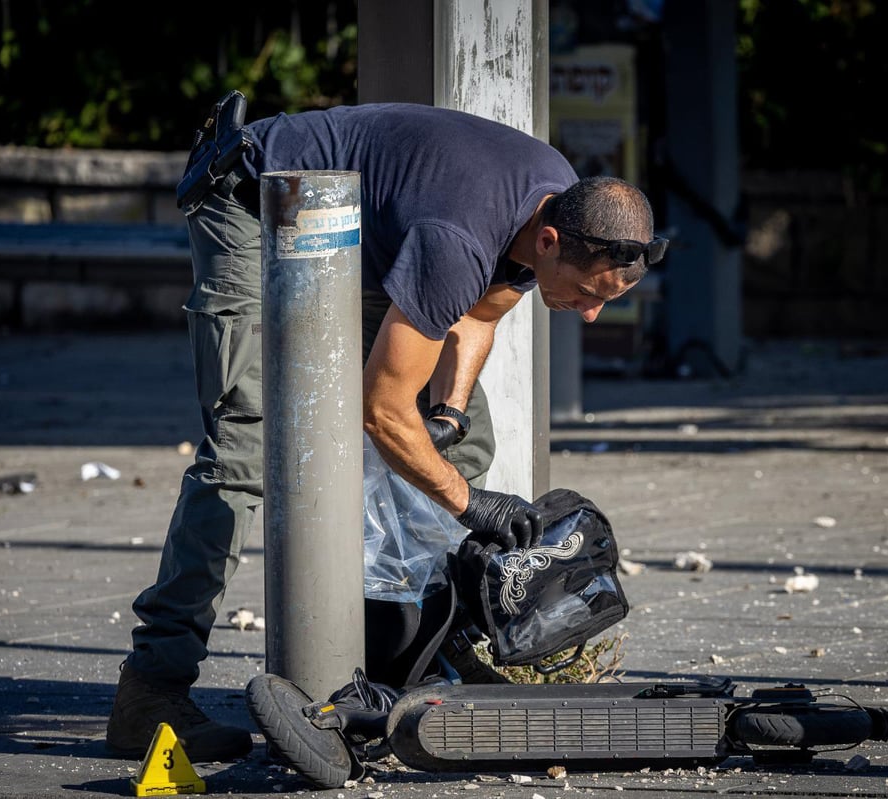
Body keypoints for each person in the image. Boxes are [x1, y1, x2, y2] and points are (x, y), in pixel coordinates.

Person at [105, 99, 666, 762]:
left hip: (351, 226)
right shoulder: (459, 237)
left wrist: (449, 415)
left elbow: (479, 319)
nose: (593, 314)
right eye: (589, 291)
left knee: (467, 442)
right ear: (550, 242)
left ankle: (412, 652)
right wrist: (468, 502)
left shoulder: (559, 199)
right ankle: (152, 686)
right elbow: (381, 410)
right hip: (254, 199)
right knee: (244, 452)